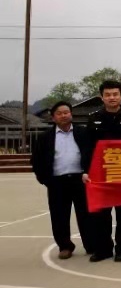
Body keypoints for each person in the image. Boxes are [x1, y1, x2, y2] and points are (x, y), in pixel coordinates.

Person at [85, 80, 121, 262]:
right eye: (108, 95)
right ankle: (103, 249)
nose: (112, 98)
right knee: (101, 214)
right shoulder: (93, 118)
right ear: (101, 97)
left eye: (115, 94)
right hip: (100, 174)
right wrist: (86, 171)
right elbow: (88, 148)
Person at [31, 101, 94, 260]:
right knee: (59, 216)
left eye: (66, 112)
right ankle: (65, 246)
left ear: (71, 114)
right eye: (59, 113)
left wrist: (88, 172)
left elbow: (91, 154)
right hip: (57, 182)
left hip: (81, 180)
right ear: (53, 117)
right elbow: (36, 160)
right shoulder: (45, 137)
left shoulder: (83, 133)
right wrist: (45, 179)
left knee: (86, 215)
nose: (64, 115)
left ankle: (91, 245)